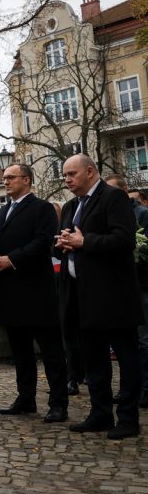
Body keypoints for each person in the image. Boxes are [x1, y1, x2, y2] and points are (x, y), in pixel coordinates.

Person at [57, 155, 142, 439]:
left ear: (91, 172)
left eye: (72, 174)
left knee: (126, 358)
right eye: (65, 175)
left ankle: (128, 418)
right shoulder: (71, 206)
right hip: (81, 296)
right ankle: (100, 414)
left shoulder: (113, 197)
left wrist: (84, 241)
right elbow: (65, 244)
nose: (67, 179)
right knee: (93, 359)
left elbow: (124, 239)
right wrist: (63, 243)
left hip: (113, 295)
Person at [0, 163, 69, 423]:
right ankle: (26, 398)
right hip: (10, 291)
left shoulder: (41, 208)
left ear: (26, 179)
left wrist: (11, 259)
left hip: (36, 291)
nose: (6, 181)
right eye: (4, 178)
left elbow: (43, 241)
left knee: (51, 351)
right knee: (20, 351)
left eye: (11, 177)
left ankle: (58, 403)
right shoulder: (1, 212)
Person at [105, 175, 148, 408]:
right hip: (119, 286)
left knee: (142, 341)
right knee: (124, 343)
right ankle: (128, 388)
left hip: (142, 284)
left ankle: (144, 389)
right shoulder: (106, 211)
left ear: (124, 190)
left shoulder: (141, 214)